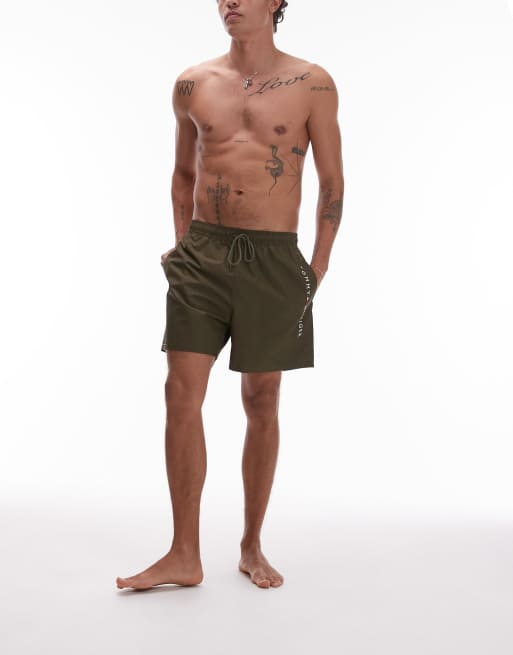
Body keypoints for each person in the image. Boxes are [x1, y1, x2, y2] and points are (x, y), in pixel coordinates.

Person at [116, 0, 344, 591]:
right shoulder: (192, 83)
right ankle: (183, 553)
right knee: (179, 392)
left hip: (274, 259)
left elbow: (332, 183)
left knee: (261, 399)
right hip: (203, 255)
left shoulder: (313, 83)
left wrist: (316, 269)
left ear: (276, 3)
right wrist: (181, 247)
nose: (230, 2)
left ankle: (251, 545)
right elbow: (183, 174)